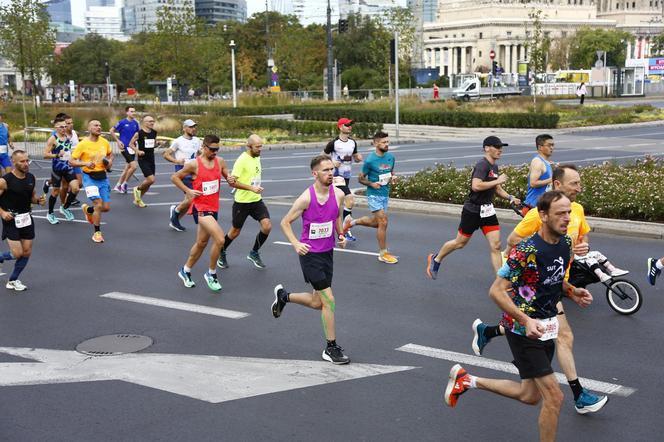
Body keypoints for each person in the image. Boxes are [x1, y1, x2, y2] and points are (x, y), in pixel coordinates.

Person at [445, 191, 594, 442]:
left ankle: (467, 380)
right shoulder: (525, 251)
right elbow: (496, 291)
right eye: (560, 213)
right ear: (543, 216)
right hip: (522, 330)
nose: (567, 218)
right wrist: (525, 320)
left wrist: (572, 291)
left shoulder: (565, 244)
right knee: (555, 398)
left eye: (569, 212)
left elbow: (552, 280)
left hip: (546, 327)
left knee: (530, 396)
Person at [474, 165, 616, 414]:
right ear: (558, 185)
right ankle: (578, 393)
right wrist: (535, 263)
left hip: (556, 285)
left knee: (529, 394)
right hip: (534, 289)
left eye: (579, 183)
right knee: (563, 338)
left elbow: (578, 239)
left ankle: (488, 333)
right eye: (574, 183)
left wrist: (573, 277)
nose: (578, 188)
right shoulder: (540, 214)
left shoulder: (577, 211)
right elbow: (513, 242)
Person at [272, 155, 349, 364]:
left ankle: (284, 297)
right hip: (310, 255)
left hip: (327, 253)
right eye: (326, 170)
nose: (331, 173)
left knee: (318, 302)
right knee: (329, 301)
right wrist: (296, 244)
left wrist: (341, 234)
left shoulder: (339, 194)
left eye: (332, 169)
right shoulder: (306, 198)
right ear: (315, 174)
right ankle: (331, 348)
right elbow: (285, 222)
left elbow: (336, 216)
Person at [427, 136, 520, 278]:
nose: (500, 150)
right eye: (497, 147)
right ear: (487, 148)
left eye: (501, 147)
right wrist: (498, 180)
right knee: (459, 243)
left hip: (487, 210)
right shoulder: (482, 165)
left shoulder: (494, 166)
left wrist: (510, 197)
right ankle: (436, 258)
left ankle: (500, 280)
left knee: (496, 245)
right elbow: (476, 186)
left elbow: (497, 189)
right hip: (473, 210)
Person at [171, 135, 234, 291]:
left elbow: (229, 177)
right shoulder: (194, 164)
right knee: (220, 239)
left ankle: (185, 271)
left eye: (217, 149)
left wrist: (232, 178)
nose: (215, 152)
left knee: (201, 244)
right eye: (212, 149)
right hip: (200, 209)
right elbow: (175, 177)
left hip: (213, 208)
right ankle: (211, 274)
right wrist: (188, 190)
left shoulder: (220, 161)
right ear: (204, 147)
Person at [342, 131, 398, 264]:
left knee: (376, 223)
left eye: (387, 142)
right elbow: (361, 179)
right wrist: (371, 183)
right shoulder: (370, 160)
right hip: (373, 195)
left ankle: (351, 222)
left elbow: (390, 172)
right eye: (384, 142)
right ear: (376, 143)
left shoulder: (391, 157)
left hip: (385, 193)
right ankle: (383, 253)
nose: (386, 144)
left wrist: (394, 178)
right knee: (383, 222)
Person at [217, 134, 271, 270]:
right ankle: (221, 251)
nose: (260, 149)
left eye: (261, 146)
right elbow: (232, 182)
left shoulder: (256, 156)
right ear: (249, 146)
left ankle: (254, 252)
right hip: (242, 202)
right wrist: (251, 188)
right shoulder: (242, 160)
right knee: (235, 231)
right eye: (257, 147)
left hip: (256, 200)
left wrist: (255, 189)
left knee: (267, 226)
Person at [0, 150, 46, 291]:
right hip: (11, 219)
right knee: (17, 253)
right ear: (14, 162)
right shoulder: (5, 181)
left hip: (26, 218)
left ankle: (13, 280)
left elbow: (31, 197)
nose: (26, 164)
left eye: (27, 160)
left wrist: (38, 200)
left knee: (26, 252)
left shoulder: (31, 177)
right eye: (22, 161)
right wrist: (2, 213)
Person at [69, 120, 113, 243]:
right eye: (96, 125)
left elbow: (110, 155)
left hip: (103, 177)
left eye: (100, 125)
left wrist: (109, 163)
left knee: (106, 207)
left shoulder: (105, 142)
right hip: (89, 178)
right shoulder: (83, 144)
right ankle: (97, 233)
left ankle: (88, 210)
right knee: (98, 204)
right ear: (89, 128)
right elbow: (71, 161)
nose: (99, 127)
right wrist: (85, 163)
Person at [323, 118, 362, 242]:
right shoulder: (334, 143)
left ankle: (336, 230)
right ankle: (346, 229)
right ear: (340, 127)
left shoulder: (352, 142)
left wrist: (358, 158)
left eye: (351, 125)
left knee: (337, 206)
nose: (350, 127)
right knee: (349, 199)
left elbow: (355, 156)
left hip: (346, 177)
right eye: (347, 125)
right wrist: (331, 162)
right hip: (336, 177)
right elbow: (321, 156)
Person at [164, 119, 202, 232]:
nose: (193, 129)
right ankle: (176, 211)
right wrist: (176, 161)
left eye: (194, 126)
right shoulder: (178, 141)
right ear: (184, 128)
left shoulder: (197, 140)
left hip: (195, 172)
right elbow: (166, 154)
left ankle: (175, 218)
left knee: (189, 198)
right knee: (192, 196)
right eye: (190, 127)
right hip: (183, 172)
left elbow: (199, 154)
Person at [43, 117, 79, 223]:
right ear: (56, 127)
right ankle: (50, 213)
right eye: (61, 127)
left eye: (65, 126)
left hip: (68, 167)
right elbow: (45, 154)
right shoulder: (53, 138)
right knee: (55, 191)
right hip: (57, 169)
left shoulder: (68, 136)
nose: (64, 128)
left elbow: (68, 150)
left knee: (76, 188)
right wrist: (57, 155)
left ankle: (65, 207)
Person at [128, 115, 162, 208]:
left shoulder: (154, 132)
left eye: (153, 121)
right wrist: (138, 151)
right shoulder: (139, 133)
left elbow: (152, 145)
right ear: (145, 122)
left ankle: (138, 200)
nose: (152, 123)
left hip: (151, 158)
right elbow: (130, 144)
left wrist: (158, 144)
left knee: (149, 182)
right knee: (151, 179)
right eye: (150, 121)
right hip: (143, 159)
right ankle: (137, 189)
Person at [110, 106, 139, 194]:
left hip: (132, 148)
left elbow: (138, 134)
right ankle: (124, 184)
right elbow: (111, 130)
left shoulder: (135, 123)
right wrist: (118, 141)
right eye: (131, 111)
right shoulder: (122, 122)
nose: (133, 113)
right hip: (124, 147)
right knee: (134, 166)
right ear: (127, 112)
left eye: (134, 111)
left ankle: (118, 185)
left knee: (127, 168)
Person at [523, 134, 554, 213]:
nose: (552, 148)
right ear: (540, 147)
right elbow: (533, 183)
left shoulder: (546, 162)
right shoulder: (537, 162)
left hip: (541, 207)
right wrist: (552, 179)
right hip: (532, 208)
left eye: (553, 145)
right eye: (549, 145)